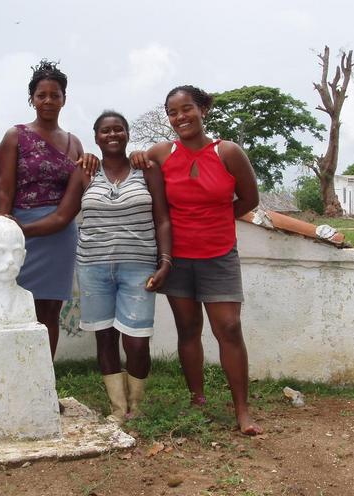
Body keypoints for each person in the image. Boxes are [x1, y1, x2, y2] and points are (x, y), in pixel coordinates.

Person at [21, 111, 171, 424]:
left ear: (128, 134)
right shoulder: (86, 172)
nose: (112, 135)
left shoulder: (147, 169)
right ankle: (118, 409)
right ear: (96, 136)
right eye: (105, 131)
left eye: (118, 129)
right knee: (104, 338)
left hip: (138, 267)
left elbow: (162, 219)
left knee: (137, 340)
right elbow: (63, 216)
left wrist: (165, 261)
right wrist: (17, 229)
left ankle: (137, 406)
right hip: (93, 268)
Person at [130, 85, 262, 435]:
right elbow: (138, 162)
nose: (180, 117)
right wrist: (137, 155)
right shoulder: (162, 151)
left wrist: (216, 219)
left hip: (219, 255)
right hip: (177, 258)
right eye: (173, 112)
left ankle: (242, 411)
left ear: (202, 109)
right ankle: (197, 399)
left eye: (186, 109)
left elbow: (249, 198)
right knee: (188, 329)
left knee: (229, 328)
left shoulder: (228, 152)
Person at [0, 59, 97, 359]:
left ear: (65, 98)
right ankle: (13, 379)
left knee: (49, 311)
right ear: (32, 98)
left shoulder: (75, 143)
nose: (48, 101)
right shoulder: (16, 135)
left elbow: (79, 190)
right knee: (14, 308)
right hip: (19, 230)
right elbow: (4, 188)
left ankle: (43, 383)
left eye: (55, 95)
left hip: (59, 236)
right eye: (42, 95)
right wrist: (4, 230)